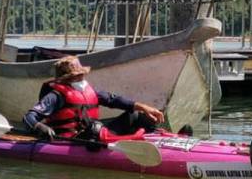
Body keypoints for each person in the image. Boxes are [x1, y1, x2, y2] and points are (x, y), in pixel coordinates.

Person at [23, 56, 165, 140]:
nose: (80, 78)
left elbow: (113, 100)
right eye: (75, 76)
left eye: (81, 75)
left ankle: (156, 140)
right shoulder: (55, 96)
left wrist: (145, 108)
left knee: (134, 115)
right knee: (94, 129)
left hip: (96, 134)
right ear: (64, 79)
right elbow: (29, 117)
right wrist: (39, 126)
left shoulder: (90, 92)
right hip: (74, 140)